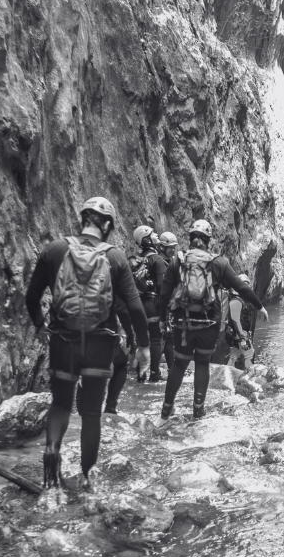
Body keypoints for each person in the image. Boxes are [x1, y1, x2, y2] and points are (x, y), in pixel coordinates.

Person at [24, 197, 150, 492]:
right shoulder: (115, 257)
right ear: (107, 225)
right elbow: (134, 306)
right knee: (92, 413)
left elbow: (31, 296)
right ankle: (87, 478)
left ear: (83, 219)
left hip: (62, 340)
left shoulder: (55, 249)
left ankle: (51, 452)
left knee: (60, 404)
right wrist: (143, 346)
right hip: (100, 344)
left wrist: (40, 325)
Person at [159, 219, 267, 420]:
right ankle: (198, 410)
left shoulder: (177, 261)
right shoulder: (219, 263)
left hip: (183, 323)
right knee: (202, 363)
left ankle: (166, 410)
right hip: (209, 323)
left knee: (180, 364)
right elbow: (240, 287)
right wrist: (259, 306)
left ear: (190, 238)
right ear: (208, 240)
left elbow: (164, 295)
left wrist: (162, 320)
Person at [130, 224, 168, 381]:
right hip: (153, 304)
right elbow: (162, 286)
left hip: (138, 305)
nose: (157, 235)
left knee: (141, 339)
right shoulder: (157, 260)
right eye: (153, 234)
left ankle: (141, 374)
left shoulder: (136, 260)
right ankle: (154, 373)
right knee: (155, 339)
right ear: (146, 239)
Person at [156, 231, 180, 371]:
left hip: (171, 305)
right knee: (162, 338)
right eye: (170, 247)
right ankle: (155, 369)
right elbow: (161, 288)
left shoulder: (172, 262)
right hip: (162, 305)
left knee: (170, 338)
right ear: (162, 247)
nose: (173, 249)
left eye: (174, 247)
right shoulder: (159, 263)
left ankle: (171, 368)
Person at [224, 273, 256, 371]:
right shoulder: (236, 301)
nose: (246, 287)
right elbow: (235, 321)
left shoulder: (241, 300)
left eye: (247, 285)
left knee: (233, 356)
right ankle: (249, 375)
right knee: (249, 354)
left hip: (236, 335)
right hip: (239, 335)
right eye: (244, 284)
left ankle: (225, 374)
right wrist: (242, 338)